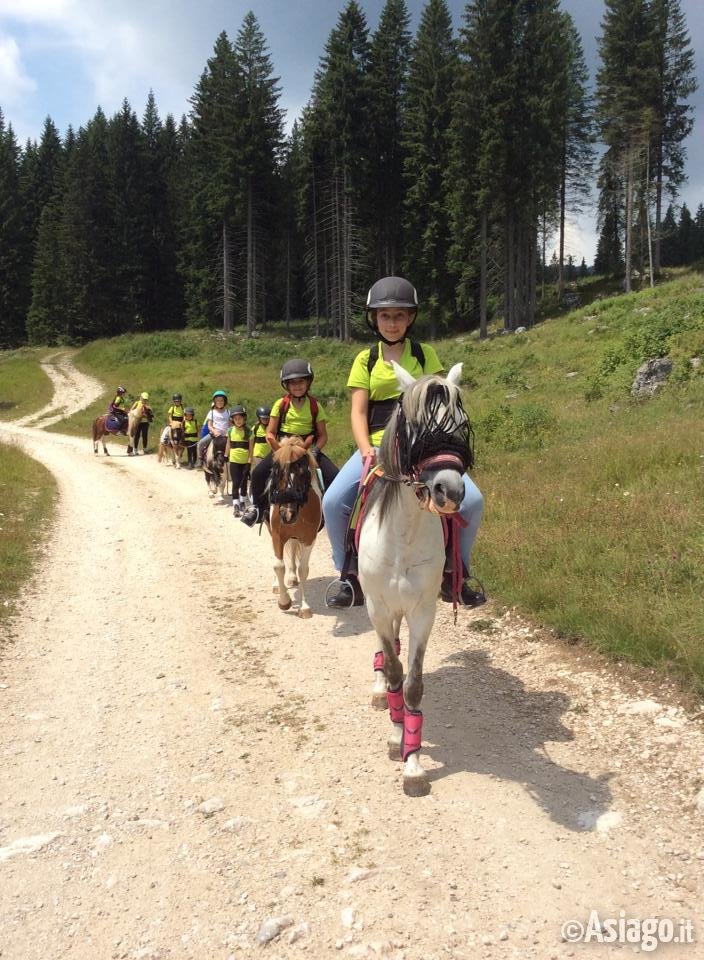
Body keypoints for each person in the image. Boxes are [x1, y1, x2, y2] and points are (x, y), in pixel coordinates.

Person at [322, 276, 485, 608]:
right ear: (374, 319)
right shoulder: (365, 361)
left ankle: (456, 573)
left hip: (423, 447)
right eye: (385, 316)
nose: (392, 322)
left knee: (472, 501)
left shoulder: (425, 356)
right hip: (380, 446)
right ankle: (348, 575)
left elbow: (439, 402)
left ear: (410, 318)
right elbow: (358, 412)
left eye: (399, 315)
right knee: (333, 501)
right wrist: (366, 448)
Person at [240, 360, 338, 527]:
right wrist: (278, 450)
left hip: (307, 449)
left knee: (335, 476)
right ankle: (257, 508)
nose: (297, 386)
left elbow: (322, 435)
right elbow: (270, 433)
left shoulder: (315, 406)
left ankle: (330, 513)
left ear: (308, 382)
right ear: (286, 386)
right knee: (257, 473)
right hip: (284, 447)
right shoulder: (281, 404)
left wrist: (315, 451)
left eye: (301, 381)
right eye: (292, 383)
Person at [225, 406, 251, 517]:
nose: (238, 420)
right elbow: (228, 444)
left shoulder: (249, 431)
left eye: (240, 418)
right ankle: (235, 505)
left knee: (244, 482)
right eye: (235, 419)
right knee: (235, 483)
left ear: (244, 419)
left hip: (245, 461)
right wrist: (226, 455)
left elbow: (251, 448)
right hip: (234, 460)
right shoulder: (230, 431)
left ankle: (242, 502)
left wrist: (249, 461)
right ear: (232, 420)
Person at [196, 390, 231, 467]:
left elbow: (230, 425)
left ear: (225, 401)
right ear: (215, 402)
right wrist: (214, 431)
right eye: (218, 400)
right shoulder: (211, 412)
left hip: (225, 436)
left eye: (222, 400)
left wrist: (228, 432)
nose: (220, 402)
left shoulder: (228, 412)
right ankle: (200, 459)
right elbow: (209, 426)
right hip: (214, 435)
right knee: (201, 443)